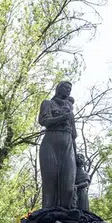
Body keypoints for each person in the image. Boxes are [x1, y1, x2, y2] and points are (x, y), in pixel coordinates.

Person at [38, 80, 77, 209]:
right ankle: (48, 213)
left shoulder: (69, 109)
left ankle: (66, 214)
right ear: (59, 89)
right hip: (51, 143)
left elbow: (74, 134)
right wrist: (62, 118)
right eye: (66, 88)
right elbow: (44, 121)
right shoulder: (48, 103)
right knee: (50, 183)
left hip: (68, 144)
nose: (68, 91)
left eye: (70, 89)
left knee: (69, 186)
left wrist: (75, 153)